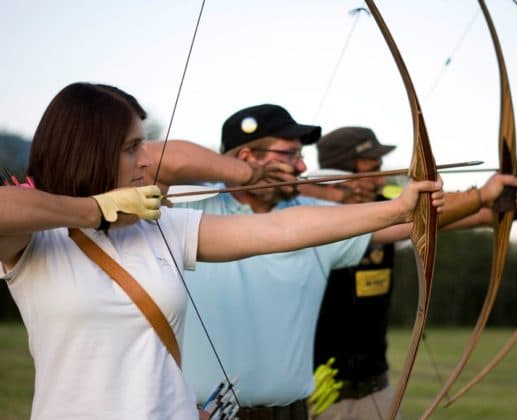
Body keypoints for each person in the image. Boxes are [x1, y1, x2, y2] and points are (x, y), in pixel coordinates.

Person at [0, 84, 445, 420]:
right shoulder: (39, 239)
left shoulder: (162, 227)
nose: (145, 161)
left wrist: (396, 209)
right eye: (133, 148)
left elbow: (281, 229)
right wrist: (95, 209)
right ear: (90, 152)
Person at [160, 104, 517, 420]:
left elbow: (403, 221)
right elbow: (155, 162)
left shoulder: (312, 217)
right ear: (246, 157)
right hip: (203, 413)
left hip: (292, 414)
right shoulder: (189, 213)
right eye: (289, 154)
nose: (302, 165)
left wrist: (482, 196)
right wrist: (247, 177)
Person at [299, 126, 517, 420]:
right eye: (373, 168)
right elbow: (405, 220)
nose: (382, 178)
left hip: (377, 389)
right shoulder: (316, 221)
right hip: (324, 392)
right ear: (344, 172)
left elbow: (463, 216)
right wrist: (481, 194)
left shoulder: (387, 207)